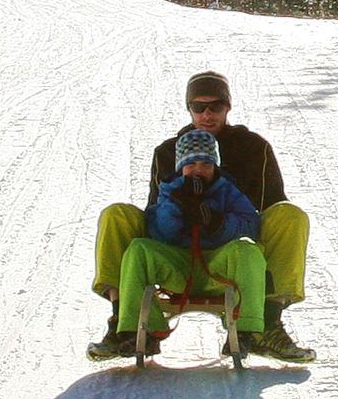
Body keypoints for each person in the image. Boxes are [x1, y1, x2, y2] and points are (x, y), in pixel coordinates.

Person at [91, 70, 313, 360]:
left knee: (290, 216)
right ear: (189, 108)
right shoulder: (167, 152)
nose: (208, 114)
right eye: (199, 106)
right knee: (116, 215)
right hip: (177, 251)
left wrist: (223, 224)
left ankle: (266, 324)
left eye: (216, 106)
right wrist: (176, 209)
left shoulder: (254, 148)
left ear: (227, 107)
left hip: (235, 250)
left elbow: (271, 207)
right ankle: (124, 324)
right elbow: (153, 215)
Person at [112, 129, 269, 355]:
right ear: (180, 167)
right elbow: (157, 232)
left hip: (217, 267)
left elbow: (251, 225)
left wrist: (218, 223)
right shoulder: (170, 190)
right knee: (138, 249)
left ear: (215, 166)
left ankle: (248, 332)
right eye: (191, 164)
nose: (198, 170)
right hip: (179, 268)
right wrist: (177, 208)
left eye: (206, 164)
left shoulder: (227, 191)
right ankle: (142, 331)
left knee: (249, 251)